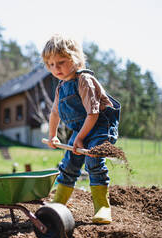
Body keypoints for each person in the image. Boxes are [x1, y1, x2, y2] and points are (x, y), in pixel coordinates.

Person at [41, 34, 121, 224]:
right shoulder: (61, 87)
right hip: (82, 129)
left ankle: (102, 206)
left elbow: (93, 114)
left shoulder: (84, 80)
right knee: (69, 164)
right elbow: (54, 113)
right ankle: (58, 202)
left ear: (75, 59)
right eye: (50, 64)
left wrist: (79, 138)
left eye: (61, 62)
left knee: (93, 162)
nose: (56, 68)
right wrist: (52, 136)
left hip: (100, 126)